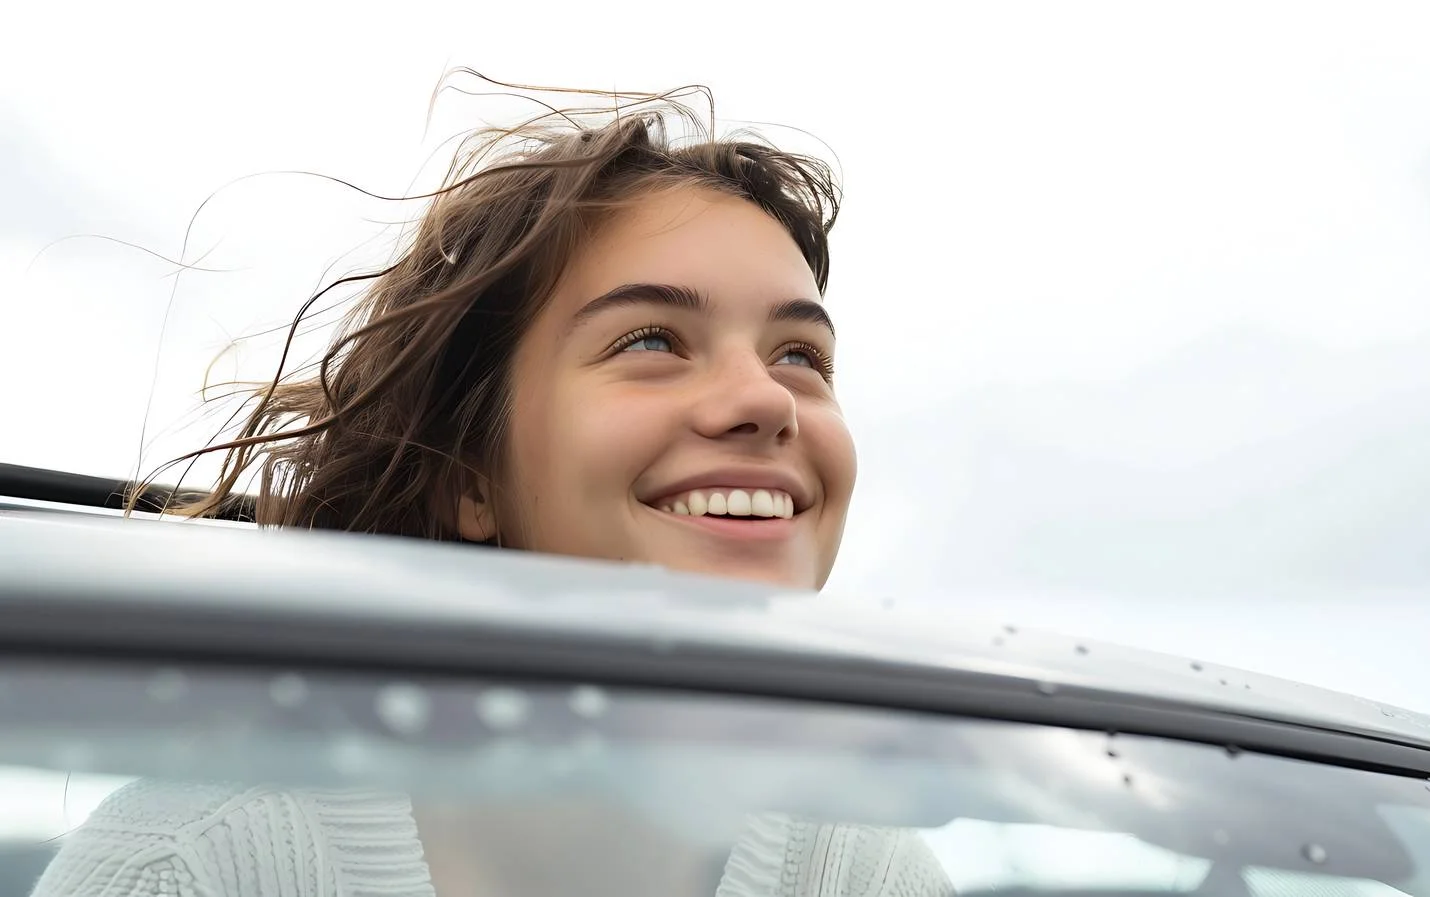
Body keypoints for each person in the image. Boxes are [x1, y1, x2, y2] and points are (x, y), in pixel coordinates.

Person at [31, 81, 952, 897]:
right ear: (468, 480)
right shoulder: (191, 862)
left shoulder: (860, 866)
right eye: (652, 341)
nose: (764, 398)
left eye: (801, 355)